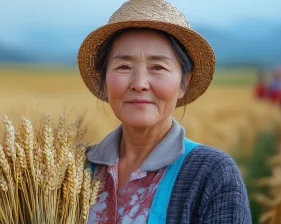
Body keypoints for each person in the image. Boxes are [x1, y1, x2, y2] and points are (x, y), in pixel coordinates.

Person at [77, 0, 252, 223]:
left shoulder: (212, 174)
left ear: (183, 84)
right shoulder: (75, 167)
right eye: (123, 67)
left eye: (157, 67)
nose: (139, 83)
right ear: (104, 82)